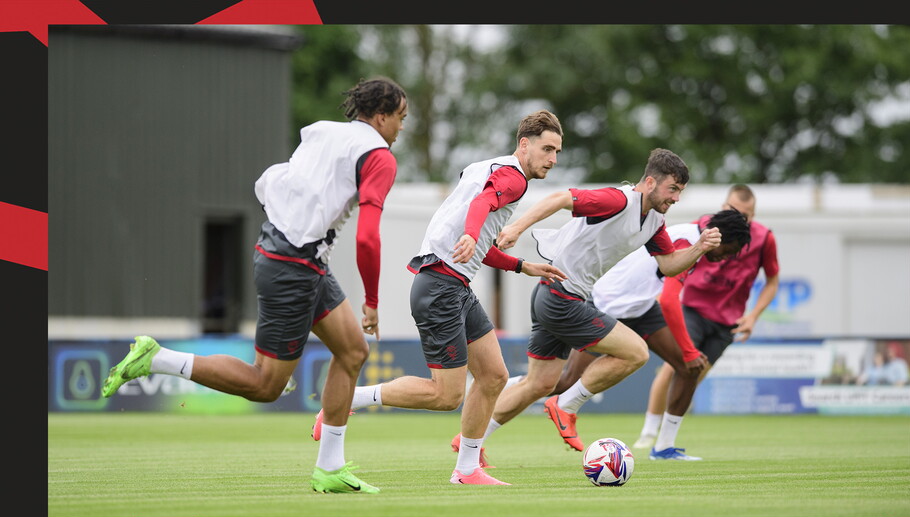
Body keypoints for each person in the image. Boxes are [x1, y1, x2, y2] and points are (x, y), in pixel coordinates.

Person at [100, 76, 409, 494]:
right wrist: (371, 300)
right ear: (382, 116)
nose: (402, 127)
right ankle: (157, 358)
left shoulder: (325, 133)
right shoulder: (379, 157)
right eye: (401, 118)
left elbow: (288, 182)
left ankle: (329, 468)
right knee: (267, 385)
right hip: (294, 264)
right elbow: (368, 237)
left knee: (353, 351)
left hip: (289, 252)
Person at [313, 110, 568, 485]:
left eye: (558, 152)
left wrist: (520, 265)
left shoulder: (486, 167)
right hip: (441, 287)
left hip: (451, 284)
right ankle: (351, 399)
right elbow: (479, 211)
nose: (553, 159)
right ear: (524, 144)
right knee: (446, 395)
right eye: (547, 149)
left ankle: (467, 470)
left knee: (494, 376)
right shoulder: (514, 178)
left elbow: (477, 243)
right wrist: (470, 233)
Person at [468, 148, 722, 457]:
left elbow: (668, 265)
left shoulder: (654, 221)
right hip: (561, 296)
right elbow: (561, 198)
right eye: (673, 190)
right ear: (652, 182)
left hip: (554, 294)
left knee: (539, 383)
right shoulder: (618, 200)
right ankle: (566, 406)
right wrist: (516, 227)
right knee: (636, 352)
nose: (677, 199)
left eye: (681, 191)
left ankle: (469, 443)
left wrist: (699, 248)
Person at [506, 209, 751, 460]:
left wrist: (688, 355)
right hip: (609, 305)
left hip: (641, 308)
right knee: (565, 382)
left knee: (689, 368)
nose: (725, 259)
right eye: (729, 251)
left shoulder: (694, 236)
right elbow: (668, 301)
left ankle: (665, 447)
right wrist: (689, 349)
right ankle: (502, 386)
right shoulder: (687, 242)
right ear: (722, 238)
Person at [631, 183, 780, 454]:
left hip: (728, 321)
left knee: (694, 374)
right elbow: (673, 262)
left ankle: (665, 443)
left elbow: (772, 281)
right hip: (692, 309)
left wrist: (754, 316)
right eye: (733, 210)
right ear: (723, 207)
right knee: (677, 367)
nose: (739, 217)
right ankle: (648, 434)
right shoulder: (700, 229)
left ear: (753, 216)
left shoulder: (763, 239)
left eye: (746, 214)